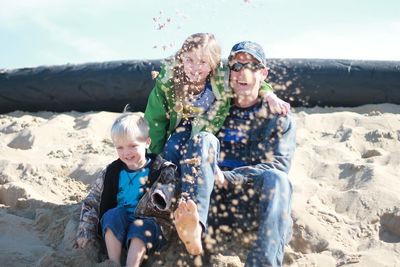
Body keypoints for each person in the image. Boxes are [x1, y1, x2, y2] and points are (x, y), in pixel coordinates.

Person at [173, 41, 296, 267]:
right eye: (236, 66)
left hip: (250, 204)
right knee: (202, 138)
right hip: (212, 202)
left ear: (263, 73)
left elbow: (279, 166)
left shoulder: (279, 116)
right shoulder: (215, 106)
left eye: (250, 65)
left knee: (279, 180)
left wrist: (229, 178)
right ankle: (195, 228)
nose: (242, 72)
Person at [144, 33, 290, 171]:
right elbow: (155, 120)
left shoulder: (221, 76)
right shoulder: (168, 82)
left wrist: (270, 96)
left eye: (202, 62)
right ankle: (168, 180)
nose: (195, 67)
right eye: (189, 60)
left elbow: (252, 80)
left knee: (197, 150)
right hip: (184, 122)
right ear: (181, 58)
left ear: (213, 64)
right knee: (172, 146)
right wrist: (153, 158)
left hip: (210, 122)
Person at [75, 112, 179, 267]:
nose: (126, 153)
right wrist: (85, 231)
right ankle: (114, 262)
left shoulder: (161, 170)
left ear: (147, 142)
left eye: (132, 146)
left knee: (141, 226)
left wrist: (164, 195)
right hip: (119, 227)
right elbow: (92, 201)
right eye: (120, 147)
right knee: (111, 215)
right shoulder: (112, 172)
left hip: (149, 226)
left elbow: (174, 193)